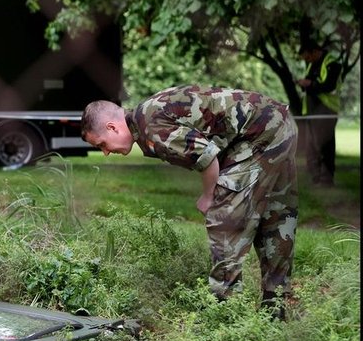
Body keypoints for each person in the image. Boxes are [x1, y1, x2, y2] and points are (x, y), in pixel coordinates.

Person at [80, 85, 298, 319]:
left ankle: (223, 313)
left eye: (101, 144)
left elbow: (207, 157)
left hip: (260, 133)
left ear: (112, 127)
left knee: (222, 218)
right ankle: (275, 310)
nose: (105, 152)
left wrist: (207, 197)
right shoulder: (147, 114)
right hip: (280, 123)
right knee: (275, 218)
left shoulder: (151, 127)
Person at [297, 44, 342, 186]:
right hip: (312, 111)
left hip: (326, 110)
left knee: (325, 146)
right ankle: (316, 178)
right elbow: (310, 84)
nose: (308, 61)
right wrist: (303, 84)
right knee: (312, 146)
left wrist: (310, 84)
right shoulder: (313, 65)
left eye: (309, 57)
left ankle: (326, 179)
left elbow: (329, 86)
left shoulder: (332, 64)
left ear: (316, 51)